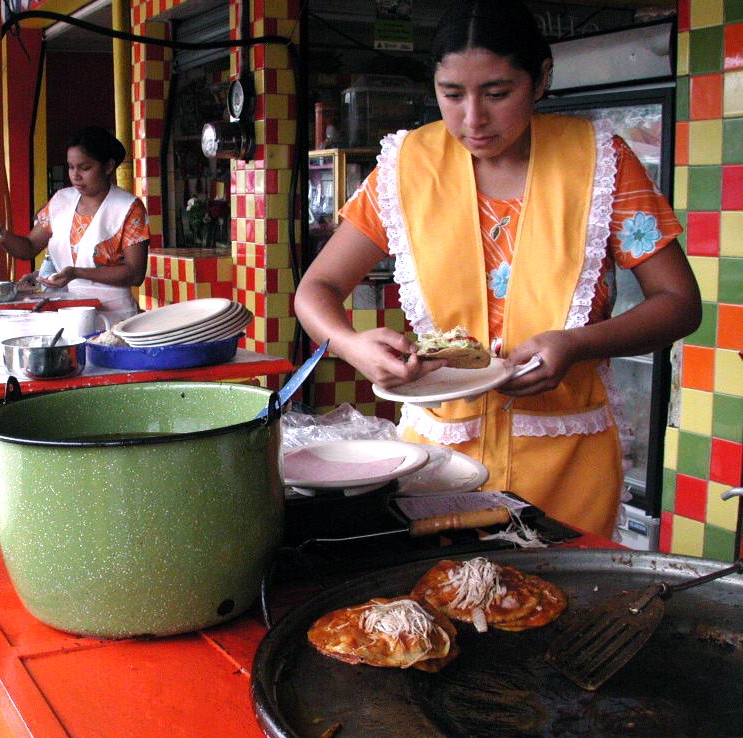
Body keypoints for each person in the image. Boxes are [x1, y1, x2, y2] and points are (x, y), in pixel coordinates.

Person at [293, 0, 701, 538]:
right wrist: (352, 347)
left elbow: (679, 302)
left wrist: (577, 343)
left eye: (497, 93)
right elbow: (316, 289)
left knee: (562, 606)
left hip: (568, 459)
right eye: (452, 94)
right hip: (440, 462)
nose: (472, 119)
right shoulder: (407, 166)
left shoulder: (600, 161)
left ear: (541, 79)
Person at [0, 125, 150, 323]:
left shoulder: (128, 208)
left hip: (115, 315)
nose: (75, 175)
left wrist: (76, 273)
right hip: (69, 310)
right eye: (71, 167)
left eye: (85, 168)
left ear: (108, 166)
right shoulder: (61, 201)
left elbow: (135, 273)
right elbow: (29, 247)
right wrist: (4, 237)